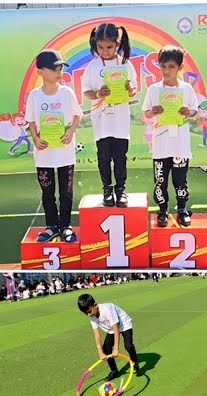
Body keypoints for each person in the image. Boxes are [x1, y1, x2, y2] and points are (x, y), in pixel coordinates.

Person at [25, 49, 81, 242]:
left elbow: (77, 115)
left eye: (60, 68)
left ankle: (65, 226)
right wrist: (35, 139)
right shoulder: (34, 96)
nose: (59, 72)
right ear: (40, 72)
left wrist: (70, 132)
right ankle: (51, 227)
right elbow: (31, 121)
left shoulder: (67, 93)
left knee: (66, 192)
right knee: (47, 192)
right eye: (54, 69)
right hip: (44, 153)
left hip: (65, 151)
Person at [142, 45, 198, 226]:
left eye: (171, 67)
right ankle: (162, 210)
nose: (166, 71)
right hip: (161, 145)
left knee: (180, 180)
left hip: (180, 144)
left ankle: (182, 209)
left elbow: (195, 111)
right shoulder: (154, 89)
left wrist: (188, 112)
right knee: (160, 180)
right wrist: (153, 111)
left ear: (180, 67)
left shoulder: (187, 89)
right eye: (163, 66)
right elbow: (146, 113)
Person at [82, 23, 137, 208]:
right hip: (102, 121)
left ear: (117, 44)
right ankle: (107, 189)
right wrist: (98, 94)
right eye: (100, 47)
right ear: (95, 44)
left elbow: (133, 90)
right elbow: (86, 92)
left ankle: (121, 190)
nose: (105, 51)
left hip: (120, 120)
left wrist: (130, 88)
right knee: (104, 157)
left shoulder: (125, 64)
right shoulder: (92, 66)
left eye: (109, 47)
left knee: (120, 156)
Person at [77, 293, 139, 381]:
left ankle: (134, 361)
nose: (89, 315)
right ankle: (114, 371)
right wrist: (100, 351)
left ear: (95, 305)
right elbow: (96, 334)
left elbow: (116, 329)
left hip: (124, 324)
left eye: (89, 311)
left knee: (128, 345)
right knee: (106, 349)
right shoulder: (92, 316)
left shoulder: (107, 310)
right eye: (85, 313)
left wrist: (116, 349)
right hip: (111, 328)